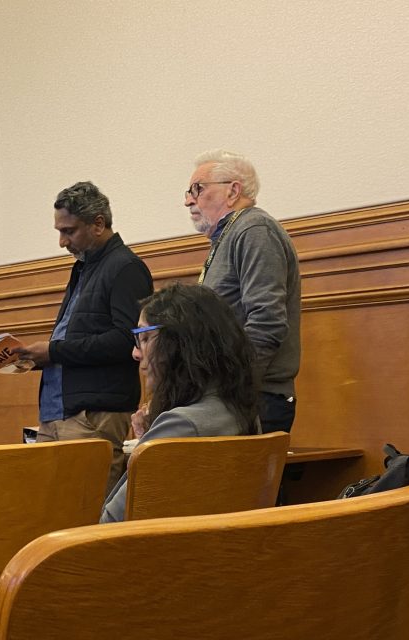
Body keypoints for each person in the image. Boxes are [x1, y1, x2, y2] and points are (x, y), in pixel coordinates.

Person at [15, 181, 153, 492]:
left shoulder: (125, 267)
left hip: (93, 413)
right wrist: (39, 358)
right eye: (59, 232)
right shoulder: (84, 268)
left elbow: (127, 341)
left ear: (98, 224)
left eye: (69, 231)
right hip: (59, 410)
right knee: (52, 506)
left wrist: (54, 352)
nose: (62, 242)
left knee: (87, 507)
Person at [101, 283, 260, 523]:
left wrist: (154, 442)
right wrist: (149, 438)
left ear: (179, 343)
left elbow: (112, 521)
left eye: (144, 337)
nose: (135, 353)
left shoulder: (181, 425)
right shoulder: (243, 414)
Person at [184, 149, 301, 433]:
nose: (188, 200)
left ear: (233, 191)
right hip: (231, 397)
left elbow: (267, 321)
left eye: (197, 189)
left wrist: (232, 389)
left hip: (249, 398)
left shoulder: (254, 230)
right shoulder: (231, 234)